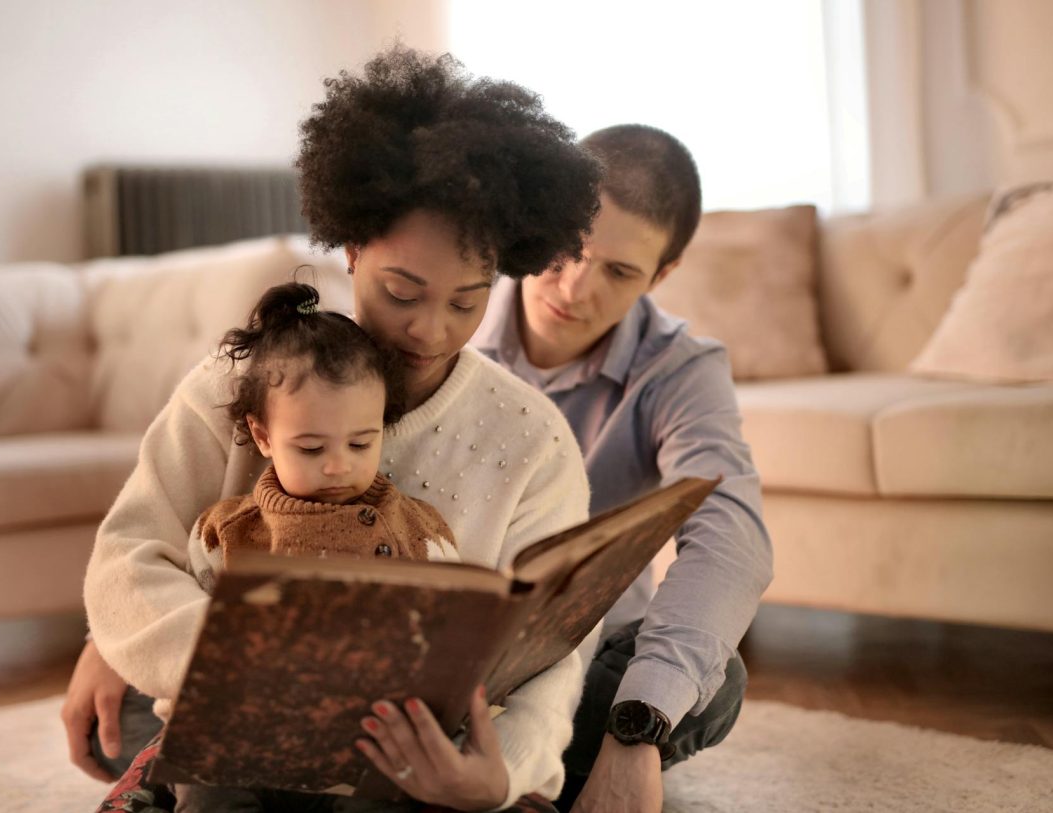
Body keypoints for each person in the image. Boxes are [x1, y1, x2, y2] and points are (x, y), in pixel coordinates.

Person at [71, 46, 604, 812]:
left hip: (423, 750)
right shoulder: (239, 384)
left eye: (467, 301)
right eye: (402, 290)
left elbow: (554, 646)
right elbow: (127, 556)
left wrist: (506, 771)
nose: (430, 329)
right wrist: (233, 668)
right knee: (115, 718)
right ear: (352, 250)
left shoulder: (532, 437)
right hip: (235, 717)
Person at [471, 124, 774, 813]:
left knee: (713, 676)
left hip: (579, 666)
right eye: (570, 248)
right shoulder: (447, 313)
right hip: (437, 659)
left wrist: (636, 728)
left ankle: (558, 761)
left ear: (661, 276)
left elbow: (734, 537)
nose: (574, 289)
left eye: (619, 271)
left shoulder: (678, 367)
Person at [174, 281, 460, 811]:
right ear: (262, 437)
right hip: (254, 733)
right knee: (201, 772)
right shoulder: (227, 532)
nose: (337, 465)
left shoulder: (418, 530)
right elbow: (194, 631)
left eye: (360, 443)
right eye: (310, 447)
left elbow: (453, 628)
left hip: (364, 739)